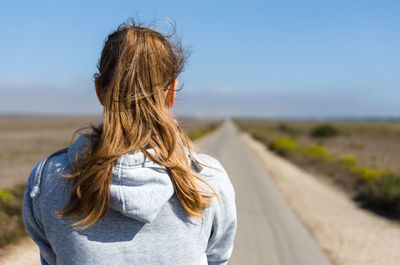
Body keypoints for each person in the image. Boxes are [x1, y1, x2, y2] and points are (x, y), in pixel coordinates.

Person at [22, 20, 237, 265]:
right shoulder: (207, 180)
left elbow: (52, 257)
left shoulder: (47, 179)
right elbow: (217, 259)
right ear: (171, 92)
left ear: (100, 90)